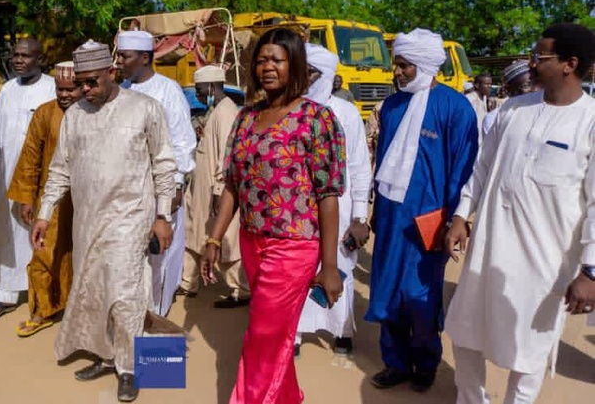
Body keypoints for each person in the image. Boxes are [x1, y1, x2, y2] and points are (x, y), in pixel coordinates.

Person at [445, 23, 595, 404]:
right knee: (464, 332)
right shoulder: (512, 110)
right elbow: (482, 168)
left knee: (530, 350)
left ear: (569, 64)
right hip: (488, 250)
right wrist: (462, 214)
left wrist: (590, 270)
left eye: (539, 56)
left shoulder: (590, 120)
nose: (530, 63)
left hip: (545, 263)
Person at [202, 28, 346, 403]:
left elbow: (328, 195)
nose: (267, 67)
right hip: (252, 241)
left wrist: (329, 266)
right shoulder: (246, 118)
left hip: (294, 246)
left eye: (277, 60)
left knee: (262, 333)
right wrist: (214, 237)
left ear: (294, 65)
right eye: (261, 60)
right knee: (275, 336)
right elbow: (232, 185)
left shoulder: (317, 119)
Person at [31, 40, 178, 402]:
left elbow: (164, 165)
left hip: (131, 220)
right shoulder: (76, 115)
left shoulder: (145, 108)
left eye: (92, 81)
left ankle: (130, 369)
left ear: (111, 73)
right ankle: (107, 354)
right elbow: (60, 170)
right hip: (88, 223)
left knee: (126, 295)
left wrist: (163, 215)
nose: (84, 89)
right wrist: (45, 213)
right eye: (80, 83)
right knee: (95, 292)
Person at [367, 28, 479, 392]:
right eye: (396, 64)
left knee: (420, 297)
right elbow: (383, 162)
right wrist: (375, 211)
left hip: (430, 221)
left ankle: (426, 363)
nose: (397, 72)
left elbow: (464, 169)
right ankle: (396, 363)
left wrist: (454, 219)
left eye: (405, 65)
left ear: (426, 65)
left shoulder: (455, 108)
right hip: (390, 216)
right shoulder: (392, 106)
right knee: (387, 290)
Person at [295, 43, 373, 356]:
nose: (304, 78)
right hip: (298, 209)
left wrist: (360, 217)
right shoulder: (288, 111)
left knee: (339, 264)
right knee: (298, 267)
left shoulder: (346, 113)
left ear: (326, 76)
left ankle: (341, 330)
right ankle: (294, 332)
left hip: (339, 206)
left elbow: (359, 166)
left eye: (311, 73)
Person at [117, 30, 197, 317]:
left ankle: (157, 316)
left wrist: (175, 186)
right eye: (119, 56)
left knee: (159, 254)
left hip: (162, 188)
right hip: (129, 191)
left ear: (144, 57)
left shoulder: (168, 90)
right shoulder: (122, 90)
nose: (119, 62)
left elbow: (183, 142)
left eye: (125, 56)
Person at [0, 37, 56, 320]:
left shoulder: (52, 89)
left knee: (39, 235)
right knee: (5, 234)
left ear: (40, 60)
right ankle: (6, 292)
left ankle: (42, 293)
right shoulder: (8, 89)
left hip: (40, 178)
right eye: (15, 55)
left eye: (25, 56)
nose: (18, 60)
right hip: (6, 176)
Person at [7, 61, 82, 337]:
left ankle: (78, 308)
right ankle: (42, 310)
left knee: (83, 255)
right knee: (44, 253)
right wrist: (27, 198)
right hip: (52, 200)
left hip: (87, 200)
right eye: (60, 89)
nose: (65, 95)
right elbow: (30, 158)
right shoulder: (44, 113)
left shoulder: (94, 113)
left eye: (71, 89)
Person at [181, 65, 250, 308]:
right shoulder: (216, 110)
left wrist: (220, 191)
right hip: (201, 188)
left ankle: (240, 289)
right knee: (193, 233)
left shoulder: (226, 112)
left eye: (200, 90)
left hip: (215, 189)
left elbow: (225, 156)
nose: (198, 95)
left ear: (211, 87)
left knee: (224, 238)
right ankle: (188, 283)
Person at [481, 60, 534, 136]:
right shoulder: (494, 119)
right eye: (527, 86)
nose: (534, 90)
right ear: (508, 89)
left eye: (537, 84)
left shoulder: (545, 114)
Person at [466, 73, 492, 140]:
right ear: (477, 85)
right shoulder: (470, 99)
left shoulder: (484, 98)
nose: (489, 86)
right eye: (487, 84)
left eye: (490, 84)